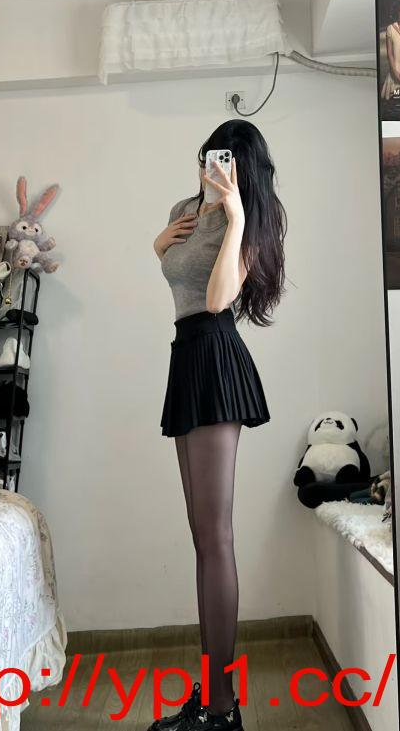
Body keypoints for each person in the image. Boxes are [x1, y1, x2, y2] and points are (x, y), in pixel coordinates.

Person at [150, 120, 286, 731]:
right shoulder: (184, 210)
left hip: (215, 355)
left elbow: (216, 298)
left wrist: (234, 217)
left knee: (216, 538)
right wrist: (158, 243)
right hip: (186, 356)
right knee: (202, 537)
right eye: (209, 155)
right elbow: (178, 278)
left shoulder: (248, 219)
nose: (214, 165)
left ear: (242, 167)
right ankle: (213, 699)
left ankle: (222, 709)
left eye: (226, 158)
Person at [382, 0, 400, 106]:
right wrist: (395, 72)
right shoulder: (390, 29)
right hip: (393, 74)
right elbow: (390, 54)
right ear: (397, 13)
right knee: (393, 104)